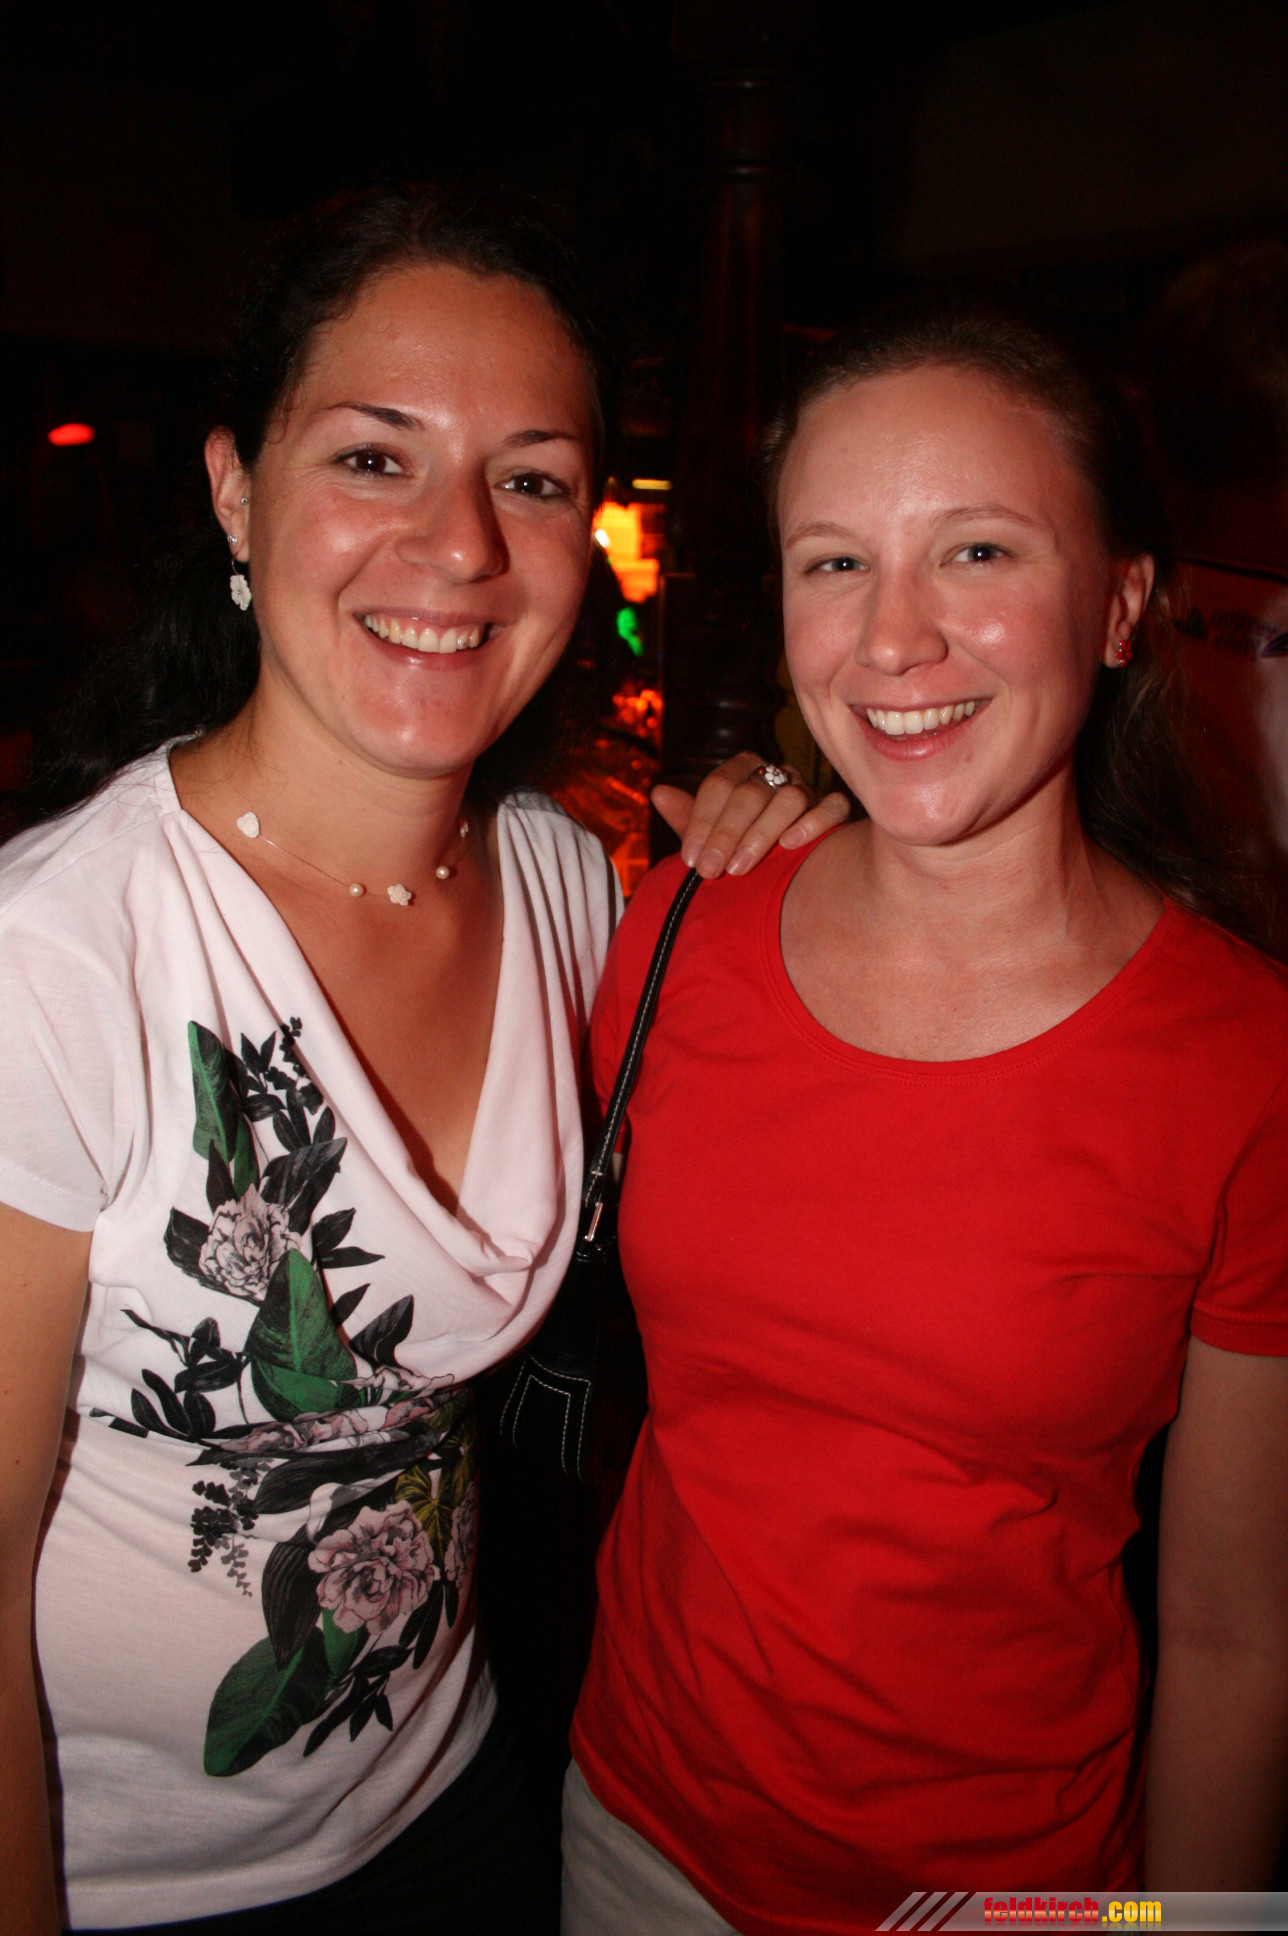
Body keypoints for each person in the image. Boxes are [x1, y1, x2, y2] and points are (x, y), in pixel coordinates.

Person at [0, 186, 846, 1936]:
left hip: (462, 1800)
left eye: (530, 479)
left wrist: (804, 865)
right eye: (376, 458)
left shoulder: (568, 886)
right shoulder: (56, 959)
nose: (461, 545)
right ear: (236, 492)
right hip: (121, 1885)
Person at [563, 305, 1288, 1935]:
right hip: (631, 1830)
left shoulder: (1248, 1064)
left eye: (976, 551)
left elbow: (1239, 1630)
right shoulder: (680, 929)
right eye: (836, 563)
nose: (893, 641)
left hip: (997, 1895)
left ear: (1121, 604)